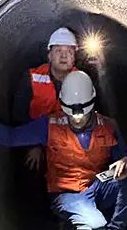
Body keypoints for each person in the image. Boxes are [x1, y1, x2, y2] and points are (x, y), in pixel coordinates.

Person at [0, 71, 127, 230]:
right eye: (72, 113)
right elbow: (12, 138)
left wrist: (125, 161)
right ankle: (67, 227)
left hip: (96, 186)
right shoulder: (50, 124)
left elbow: (125, 155)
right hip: (66, 194)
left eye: (82, 114)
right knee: (95, 229)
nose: (77, 118)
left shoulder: (107, 126)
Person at [12, 27, 79, 172]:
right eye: (58, 51)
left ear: (74, 57)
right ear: (49, 55)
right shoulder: (31, 77)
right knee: (31, 166)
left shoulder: (82, 80)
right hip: (33, 139)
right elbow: (19, 115)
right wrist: (34, 145)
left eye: (69, 52)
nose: (64, 56)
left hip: (66, 142)